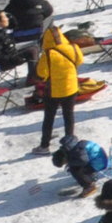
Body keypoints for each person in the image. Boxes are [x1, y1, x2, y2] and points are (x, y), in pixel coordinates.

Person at [32, 23, 85, 154]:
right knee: (69, 116)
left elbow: (41, 74)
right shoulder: (73, 47)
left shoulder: (48, 54)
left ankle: (44, 146)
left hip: (53, 91)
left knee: (49, 118)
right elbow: (79, 61)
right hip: (71, 88)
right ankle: (70, 145)